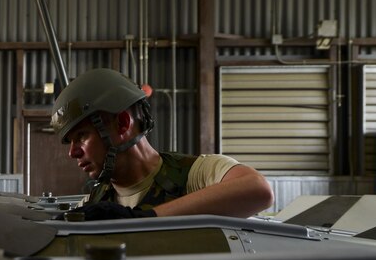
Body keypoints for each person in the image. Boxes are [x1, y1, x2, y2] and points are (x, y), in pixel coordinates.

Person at [49, 68, 274, 220]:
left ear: (122, 124)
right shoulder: (94, 205)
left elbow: (259, 190)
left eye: (82, 136)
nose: (72, 152)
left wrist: (143, 219)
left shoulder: (196, 175)